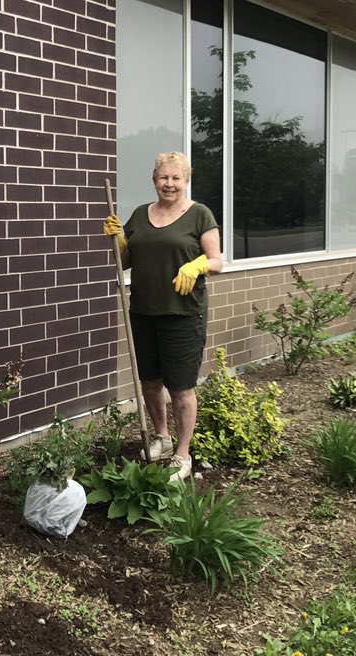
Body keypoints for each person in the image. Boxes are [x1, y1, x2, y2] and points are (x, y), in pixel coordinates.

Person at [103, 152, 223, 481]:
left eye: (175, 178)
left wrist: (197, 264)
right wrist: (118, 240)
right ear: (154, 179)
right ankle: (162, 437)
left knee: (181, 388)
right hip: (143, 312)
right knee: (150, 383)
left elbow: (217, 261)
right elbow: (124, 261)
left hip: (183, 315)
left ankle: (183, 455)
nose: (169, 184)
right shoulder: (141, 215)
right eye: (162, 177)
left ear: (186, 180)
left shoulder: (199, 214)